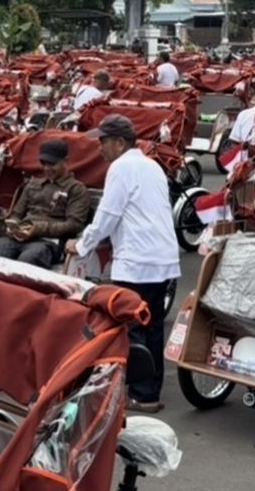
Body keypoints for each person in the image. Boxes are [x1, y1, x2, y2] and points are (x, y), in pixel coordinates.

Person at [66, 114, 180, 412]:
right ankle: (148, 392)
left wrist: (81, 244)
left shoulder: (121, 167)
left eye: (103, 142)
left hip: (138, 260)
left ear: (119, 142)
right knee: (151, 326)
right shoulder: (151, 165)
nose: (99, 148)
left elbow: (108, 215)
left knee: (133, 328)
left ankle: (140, 393)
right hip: (161, 257)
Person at [0, 139, 91, 268]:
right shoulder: (33, 184)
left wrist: (37, 228)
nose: (47, 168)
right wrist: (14, 225)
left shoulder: (76, 189)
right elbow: (17, 213)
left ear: (65, 161)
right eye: (44, 163)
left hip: (49, 241)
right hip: (19, 237)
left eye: (52, 164)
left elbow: (74, 225)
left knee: (29, 260)